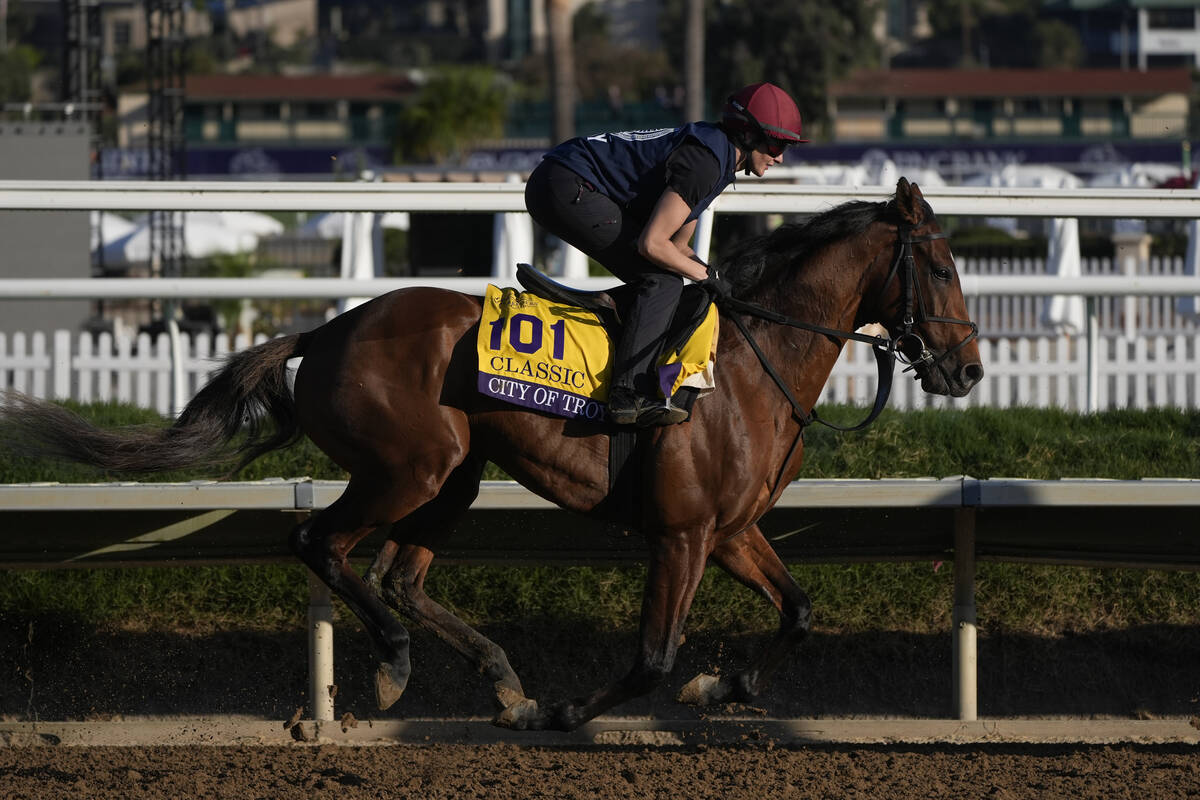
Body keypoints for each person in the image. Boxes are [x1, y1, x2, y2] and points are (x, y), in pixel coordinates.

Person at [524, 82, 807, 427]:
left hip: (567, 178)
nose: (780, 157)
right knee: (662, 281)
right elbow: (653, 245)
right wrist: (705, 277)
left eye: (786, 147)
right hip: (565, 182)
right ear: (747, 135)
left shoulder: (716, 157)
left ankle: (618, 319)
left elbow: (678, 245)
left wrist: (717, 276)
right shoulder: (706, 163)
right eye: (777, 144)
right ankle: (628, 395)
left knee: (668, 277)